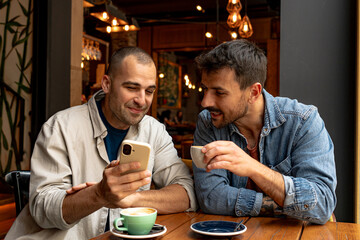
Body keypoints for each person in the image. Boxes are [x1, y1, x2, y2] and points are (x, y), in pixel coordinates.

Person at [6, 47, 196, 239]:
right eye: (131, 88)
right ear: (106, 84)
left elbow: (186, 193)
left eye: (149, 91)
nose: (142, 100)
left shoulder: (154, 130)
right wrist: (99, 195)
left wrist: (132, 198)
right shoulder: (61, 127)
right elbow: (42, 211)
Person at [192, 39, 336, 224]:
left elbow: (322, 203)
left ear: (253, 92)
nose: (205, 102)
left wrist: (253, 168)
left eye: (219, 93)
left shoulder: (303, 121)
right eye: (205, 89)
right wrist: (289, 206)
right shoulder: (208, 122)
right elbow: (212, 198)